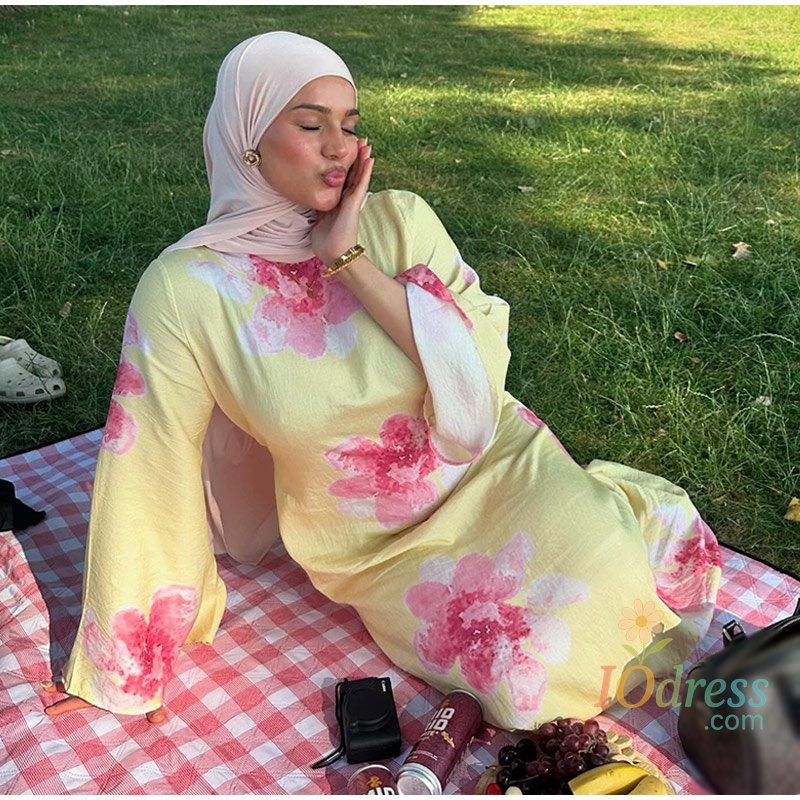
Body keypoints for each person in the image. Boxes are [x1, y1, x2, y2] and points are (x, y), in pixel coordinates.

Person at [43, 31, 721, 731]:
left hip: (495, 468)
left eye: (350, 124)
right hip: (377, 546)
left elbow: (477, 379)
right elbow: (150, 460)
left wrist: (349, 259)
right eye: (311, 125)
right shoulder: (188, 290)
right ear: (248, 142)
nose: (339, 147)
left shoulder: (400, 223)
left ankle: (617, 512)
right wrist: (128, 662)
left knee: (617, 577)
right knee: (530, 678)